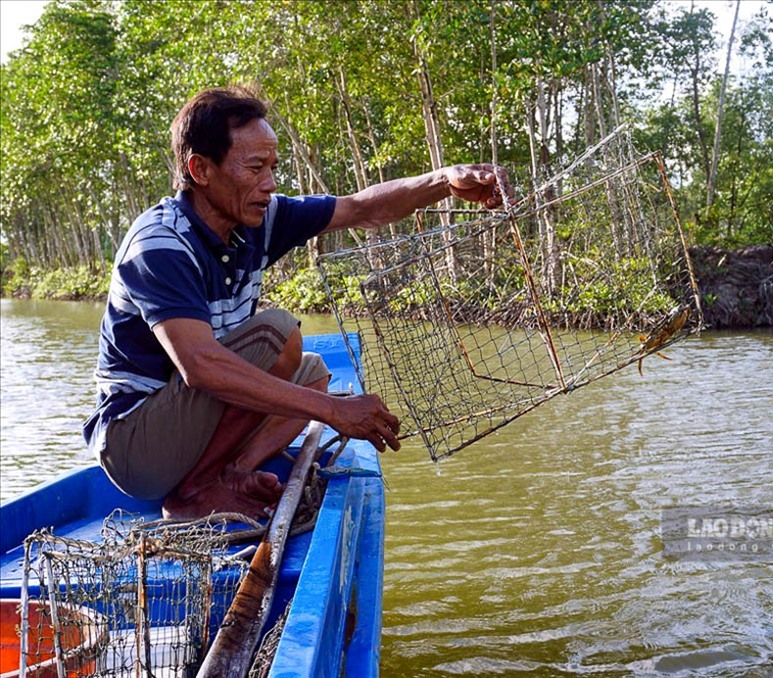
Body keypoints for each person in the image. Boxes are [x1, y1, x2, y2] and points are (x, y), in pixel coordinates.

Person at [83, 85, 513, 520]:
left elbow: (361, 209)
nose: (269, 184)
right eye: (255, 168)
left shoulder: (258, 217)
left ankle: (229, 476)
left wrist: (443, 181)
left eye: (272, 167)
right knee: (278, 332)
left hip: (187, 429)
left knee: (311, 374)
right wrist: (333, 412)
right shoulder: (160, 244)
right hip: (135, 446)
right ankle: (192, 493)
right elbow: (200, 365)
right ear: (200, 169)